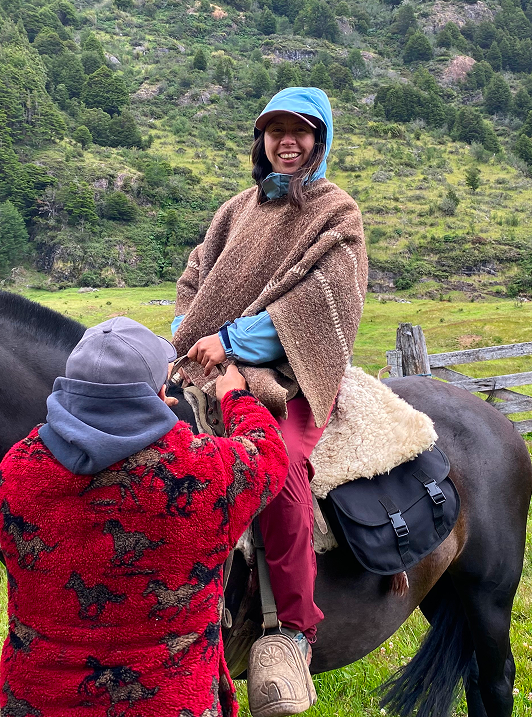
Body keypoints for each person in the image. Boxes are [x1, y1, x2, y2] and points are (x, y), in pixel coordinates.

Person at [170, 87, 367, 711]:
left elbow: (320, 304)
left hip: (293, 374)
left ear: (321, 139)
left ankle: (292, 633)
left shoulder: (338, 213)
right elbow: (196, 276)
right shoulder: (235, 209)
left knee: (274, 472)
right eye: (274, 129)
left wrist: (228, 339)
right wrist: (194, 331)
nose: (286, 141)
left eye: (300, 130)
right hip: (207, 360)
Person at [0, 316, 289, 717]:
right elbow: (268, 454)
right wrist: (236, 396)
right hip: (170, 703)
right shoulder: (204, 472)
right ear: (157, 394)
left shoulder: (17, 470)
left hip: (37, 703)